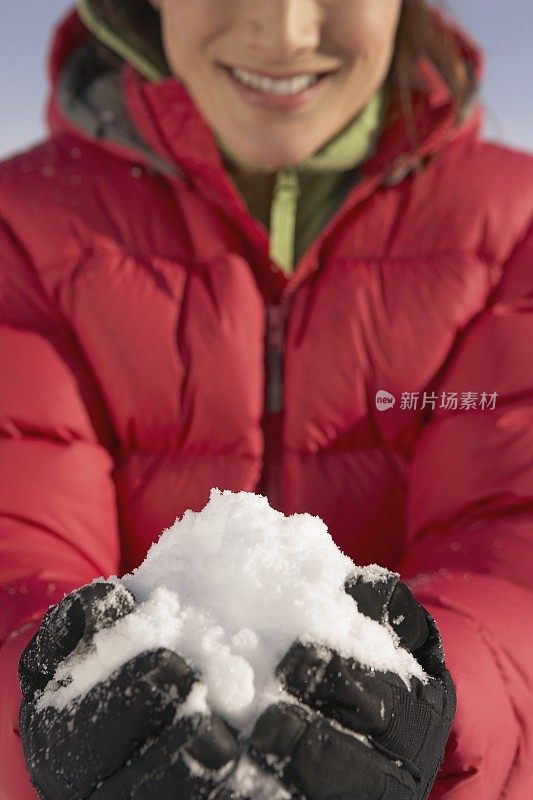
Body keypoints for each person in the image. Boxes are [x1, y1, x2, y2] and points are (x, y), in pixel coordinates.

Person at [0, 0, 532, 797]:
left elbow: (513, 542)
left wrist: (436, 710)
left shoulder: (515, 229)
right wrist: (49, 698)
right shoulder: (21, 230)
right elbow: (15, 533)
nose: (282, 34)